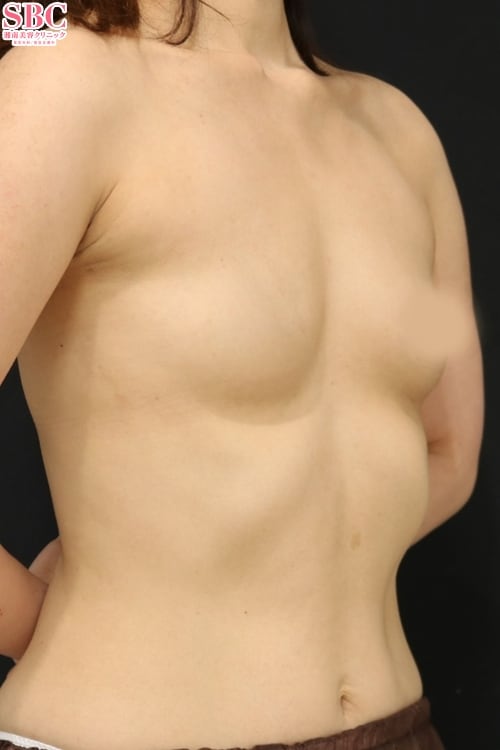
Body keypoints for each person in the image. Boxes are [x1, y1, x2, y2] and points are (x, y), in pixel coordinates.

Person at [0, 1, 484, 749]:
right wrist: (40, 621)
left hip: (396, 729)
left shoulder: (398, 131)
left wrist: (263, 568)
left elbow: (446, 452)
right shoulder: (66, 82)